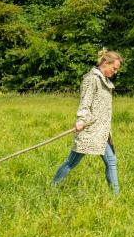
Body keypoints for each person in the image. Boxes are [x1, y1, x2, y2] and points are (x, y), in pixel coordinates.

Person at [51, 49, 122, 194]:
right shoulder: (91, 79)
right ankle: (52, 187)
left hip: (102, 131)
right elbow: (85, 102)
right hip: (89, 130)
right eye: (114, 68)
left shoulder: (104, 80)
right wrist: (81, 120)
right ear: (105, 63)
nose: (115, 72)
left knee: (111, 162)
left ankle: (116, 196)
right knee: (71, 162)